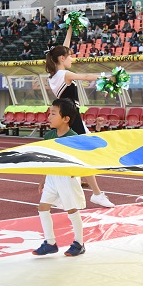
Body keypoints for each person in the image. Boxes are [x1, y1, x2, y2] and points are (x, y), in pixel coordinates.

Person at [46, 27, 114, 208]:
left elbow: (63, 49)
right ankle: (97, 194)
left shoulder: (53, 75)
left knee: (70, 153)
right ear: (62, 59)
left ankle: (56, 192)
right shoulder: (65, 74)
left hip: (67, 116)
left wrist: (70, 29)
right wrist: (108, 78)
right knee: (85, 154)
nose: (72, 59)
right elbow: (85, 76)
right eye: (69, 56)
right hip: (72, 117)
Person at [32, 99, 88, 257]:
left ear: (66, 119)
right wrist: (43, 180)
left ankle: (79, 243)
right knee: (43, 207)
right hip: (52, 177)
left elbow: (81, 158)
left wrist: (76, 172)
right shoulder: (49, 136)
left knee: (72, 209)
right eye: (49, 113)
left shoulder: (73, 137)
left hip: (67, 178)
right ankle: (50, 243)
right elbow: (46, 160)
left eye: (53, 114)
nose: (49, 117)